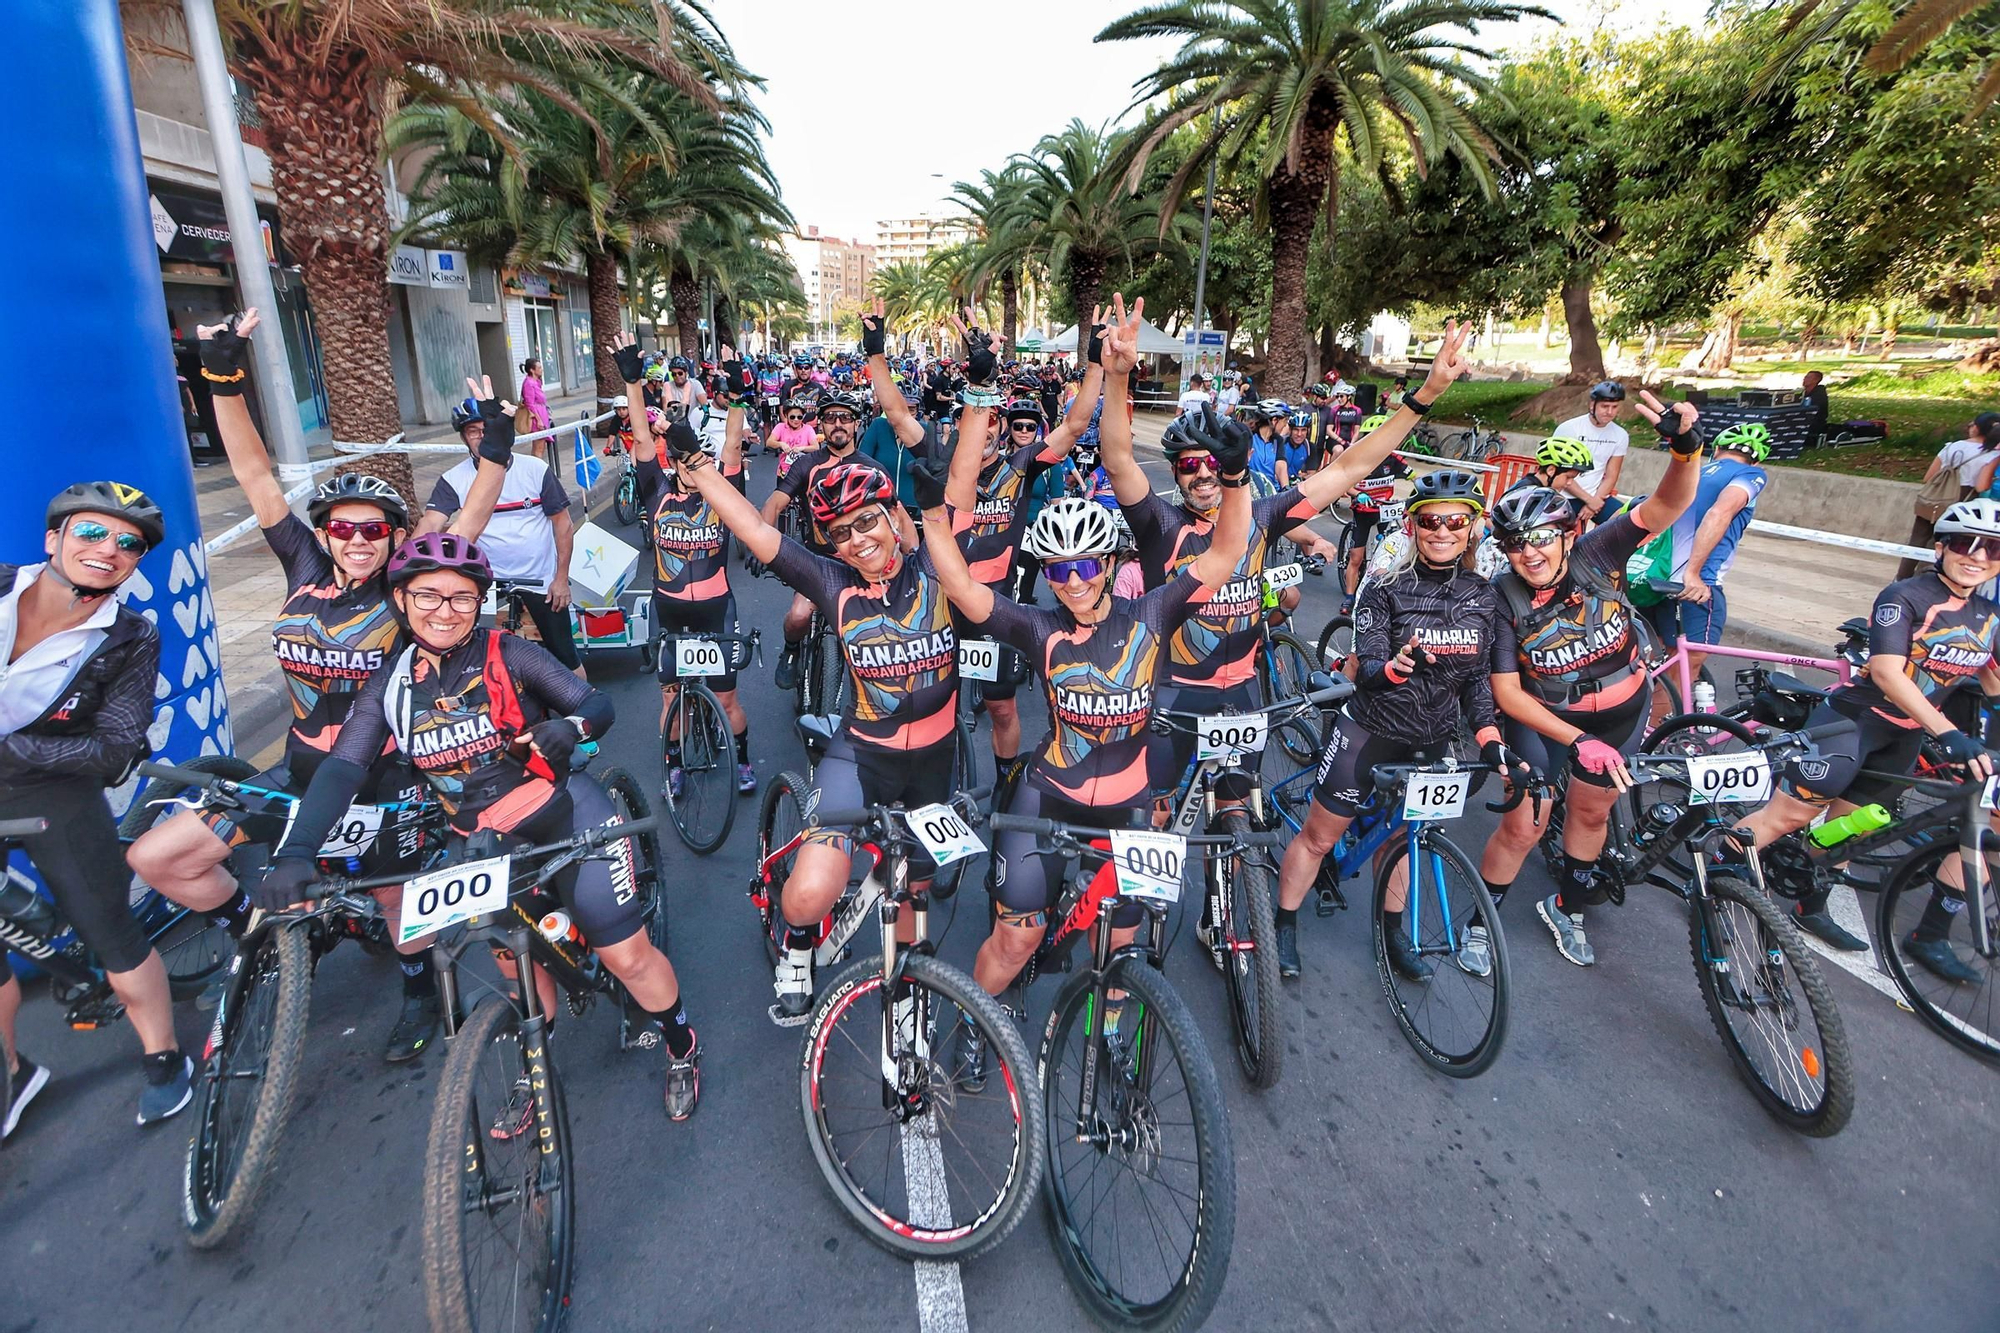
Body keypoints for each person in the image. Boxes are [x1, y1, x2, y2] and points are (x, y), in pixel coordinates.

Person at [126, 310, 506, 1065]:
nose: (357, 541)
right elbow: (255, 476)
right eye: (344, 528)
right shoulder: (301, 564)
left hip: (385, 776)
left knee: (398, 906)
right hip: (297, 770)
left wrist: (496, 440)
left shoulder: (409, 592)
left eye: (374, 530)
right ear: (324, 532)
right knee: (160, 857)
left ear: (395, 538)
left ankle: (415, 989)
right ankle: (258, 932)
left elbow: (473, 513)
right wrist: (222, 380)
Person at [257, 532, 704, 1120]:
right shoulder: (388, 686)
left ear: (479, 602)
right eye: (428, 596)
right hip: (483, 846)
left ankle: (681, 1045)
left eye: (462, 598)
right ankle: (533, 1071)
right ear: (401, 599)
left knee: (625, 957)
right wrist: (297, 851)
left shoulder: (509, 651)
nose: (445, 611)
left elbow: (596, 704)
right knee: (518, 974)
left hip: (567, 815)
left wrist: (572, 727)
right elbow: (342, 770)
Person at [913, 341, 1252, 1076]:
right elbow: (970, 596)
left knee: (1118, 949)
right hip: (1046, 799)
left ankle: (1108, 1033)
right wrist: (933, 525)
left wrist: (1235, 477)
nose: (1069, 580)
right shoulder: (1038, 627)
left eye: (1085, 566)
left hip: (1129, 808)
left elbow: (1227, 552)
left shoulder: (1153, 611)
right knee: (1016, 939)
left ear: (1108, 565)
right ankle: (978, 1020)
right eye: (1057, 568)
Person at [1099, 298, 1476, 802]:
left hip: (1244, 696)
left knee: (1236, 810)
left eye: (1214, 462)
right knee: (1159, 811)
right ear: (1175, 473)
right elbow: (1118, 458)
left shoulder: (1261, 517)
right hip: (1174, 695)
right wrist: (1117, 377)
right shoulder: (1158, 523)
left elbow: (1346, 471)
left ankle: (1231, 876)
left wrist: (1426, 394)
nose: (1204, 474)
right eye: (1190, 466)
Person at [675, 420, 959, 1022]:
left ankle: (907, 1001)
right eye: (839, 534)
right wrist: (695, 464)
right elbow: (754, 529)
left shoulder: (938, 573)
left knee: (914, 893)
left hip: (934, 766)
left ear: (892, 519)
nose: (857, 541)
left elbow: (948, 498)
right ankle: (797, 952)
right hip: (862, 759)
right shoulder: (833, 584)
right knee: (806, 896)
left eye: (867, 523)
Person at [1272, 465, 1536, 980]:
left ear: (1473, 527)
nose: (1443, 532)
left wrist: (1491, 742)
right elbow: (1367, 665)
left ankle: (1392, 929)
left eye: (1455, 522)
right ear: (1412, 527)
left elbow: (1478, 682)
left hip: (1433, 741)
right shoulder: (1385, 588)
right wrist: (1391, 669)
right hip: (1369, 732)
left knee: (1403, 840)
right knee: (1320, 838)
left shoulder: (1484, 598)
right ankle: (1283, 923)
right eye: (1431, 521)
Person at [1477, 392, 1707, 969]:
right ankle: (1482, 920)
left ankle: (1567, 907)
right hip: (1552, 724)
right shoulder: (1502, 598)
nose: (1529, 554)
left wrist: (1686, 451)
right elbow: (1506, 693)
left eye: (1541, 538)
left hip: (1624, 714)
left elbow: (1665, 507)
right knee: (1524, 826)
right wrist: (1579, 742)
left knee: (1590, 814)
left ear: (1567, 532)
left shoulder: (1597, 553)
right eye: (1515, 544)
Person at [1737, 499, 2000, 957]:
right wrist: (1948, 733)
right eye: (1963, 543)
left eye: (1991, 548)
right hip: (1851, 723)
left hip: (1904, 734)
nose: (1976, 556)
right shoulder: (1905, 597)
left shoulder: (1987, 615)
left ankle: (1811, 907)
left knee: (1849, 831)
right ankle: (1717, 874)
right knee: (1790, 817)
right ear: (1940, 547)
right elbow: (1887, 673)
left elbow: (1992, 679)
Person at [0, 483, 178, 1134]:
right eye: (91, 533)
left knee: (112, 934)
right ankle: (14, 1072)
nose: (109, 549)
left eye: (129, 544)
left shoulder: (129, 637)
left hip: (54, 797)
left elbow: (109, 751)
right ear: (53, 540)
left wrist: (14, 744)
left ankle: (163, 1054)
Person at [867, 302, 1100, 778]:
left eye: (997, 422)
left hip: (997, 605)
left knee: (1003, 710)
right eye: (982, 420)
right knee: (927, 703)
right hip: (942, 601)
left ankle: (1008, 781)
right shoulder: (940, 451)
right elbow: (895, 413)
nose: (990, 429)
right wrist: (875, 354)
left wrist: (1095, 363)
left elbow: (1075, 425)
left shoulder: (1023, 464)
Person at [608, 333, 756, 796]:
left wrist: (734, 398)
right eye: (688, 464)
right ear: (675, 466)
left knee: (728, 697)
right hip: (670, 610)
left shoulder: (723, 496)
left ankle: (744, 760)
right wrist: (633, 385)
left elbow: (732, 444)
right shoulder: (657, 491)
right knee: (671, 697)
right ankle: (673, 764)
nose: (696, 470)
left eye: (702, 463)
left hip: (716, 608)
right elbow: (643, 446)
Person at [424, 393, 585, 678]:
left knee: (566, 659)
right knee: (470, 660)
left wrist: (561, 580)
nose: (480, 437)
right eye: (472, 432)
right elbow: (429, 527)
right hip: (487, 585)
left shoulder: (535, 470)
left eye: (486, 430)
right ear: (463, 438)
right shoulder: (453, 479)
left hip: (540, 581)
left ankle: (583, 718)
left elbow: (563, 526)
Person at [761, 390, 909, 691]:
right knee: (799, 615)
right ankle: (791, 650)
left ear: (856, 424)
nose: (837, 423)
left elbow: (900, 517)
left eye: (845, 418)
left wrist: (914, 555)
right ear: (822, 426)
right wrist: (761, 542)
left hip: (864, 564)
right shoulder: (807, 464)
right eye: (830, 418)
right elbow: (775, 503)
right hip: (820, 561)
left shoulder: (872, 467)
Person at [1643, 422, 1772, 721]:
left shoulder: (1696, 473)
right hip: (1696, 585)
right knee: (1688, 665)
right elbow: (1720, 513)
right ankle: (1664, 739)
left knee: (1664, 662)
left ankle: (1643, 731)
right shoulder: (1750, 475)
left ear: (1717, 450)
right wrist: (1694, 573)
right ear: (1757, 459)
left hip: (1658, 581)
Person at [1905, 413, 2000, 578]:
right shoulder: (1991, 455)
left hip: (1934, 495)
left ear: (1976, 428)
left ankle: (1901, 576)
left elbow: (1928, 477)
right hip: (1962, 501)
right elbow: (1981, 486)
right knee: (1939, 542)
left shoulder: (1951, 446)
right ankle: (1923, 579)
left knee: (1917, 538)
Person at [1553, 382, 1631, 523]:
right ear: (1592, 405)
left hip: (1596, 497)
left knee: (1627, 523)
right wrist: (1589, 500)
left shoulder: (1620, 435)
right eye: (1604, 406)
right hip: (1564, 495)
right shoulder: (1570, 429)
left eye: (1614, 407)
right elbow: (1561, 474)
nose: (1609, 412)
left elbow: (1611, 476)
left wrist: (1595, 503)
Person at [519, 357, 551, 434]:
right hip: (536, 417)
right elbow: (530, 404)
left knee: (542, 441)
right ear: (532, 370)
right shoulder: (529, 383)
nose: (541, 370)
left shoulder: (536, 382)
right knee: (539, 443)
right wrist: (538, 420)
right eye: (539, 368)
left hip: (542, 413)